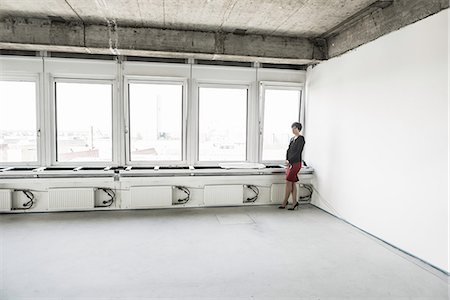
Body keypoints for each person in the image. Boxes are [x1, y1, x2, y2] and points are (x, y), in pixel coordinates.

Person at [278, 122, 305, 210]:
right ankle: (294, 203)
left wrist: (290, 161)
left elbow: (298, 152)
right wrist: (287, 160)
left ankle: (284, 202)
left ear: (298, 129)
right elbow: (288, 150)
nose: (293, 130)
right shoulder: (292, 139)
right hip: (290, 163)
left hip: (296, 163)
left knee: (288, 181)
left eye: (294, 128)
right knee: (292, 182)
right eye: (292, 128)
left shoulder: (301, 139)